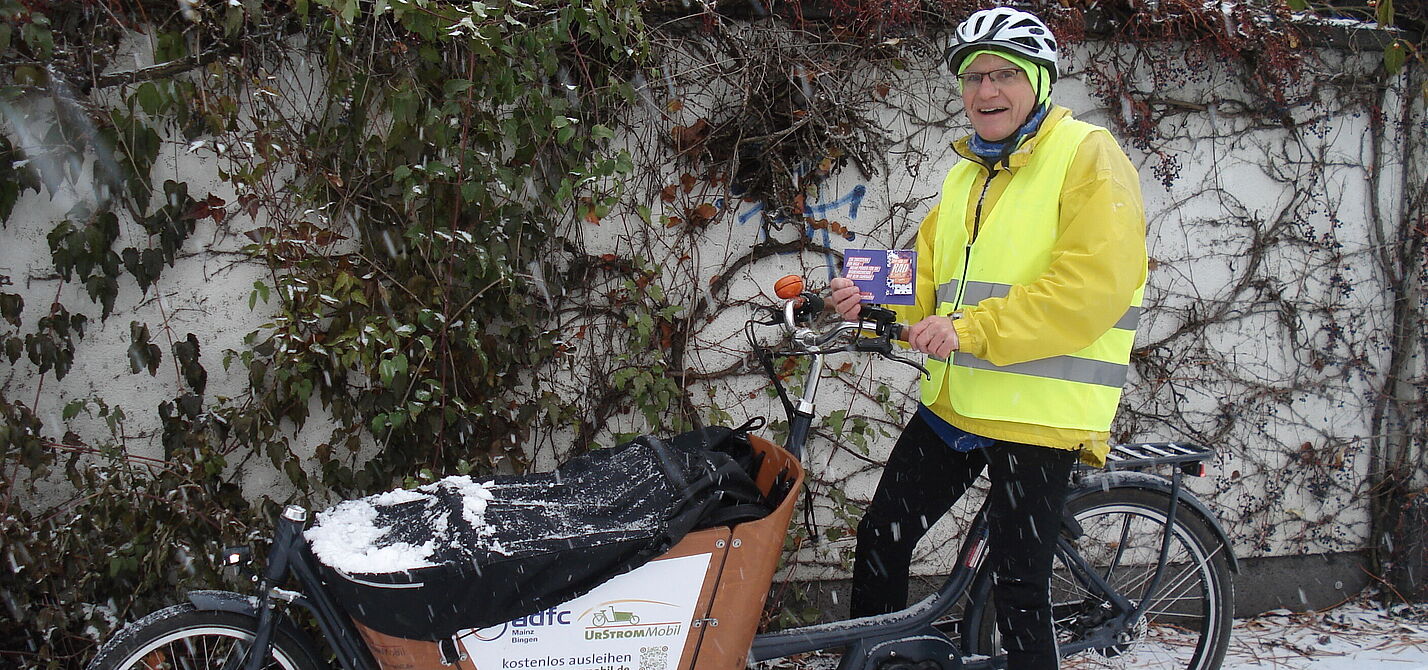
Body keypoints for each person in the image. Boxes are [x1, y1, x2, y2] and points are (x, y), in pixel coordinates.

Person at [828, 7, 1148, 669]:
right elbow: (933, 274)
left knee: (1018, 591)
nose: (986, 91)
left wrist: (970, 330)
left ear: (1040, 81)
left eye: (1004, 74)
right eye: (973, 77)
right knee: (882, 537)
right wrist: (870, 294)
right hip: (961, 402)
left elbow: (1091, 286)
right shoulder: (969, 172)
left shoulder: (1087, 156)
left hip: (1038, 413)